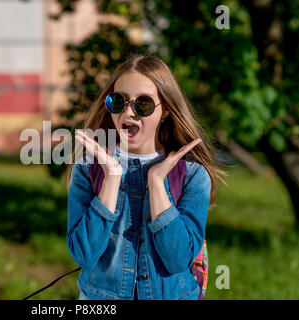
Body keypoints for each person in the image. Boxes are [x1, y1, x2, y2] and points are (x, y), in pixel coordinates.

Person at [65, 54, 226, 300]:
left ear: (166, 111)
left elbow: (178, 259)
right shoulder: (88, 169)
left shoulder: (192, 175)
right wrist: (111, 178)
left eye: (143, 103)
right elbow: (83, 254)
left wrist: (156, 183)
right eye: (118, 101)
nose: (129, 113)